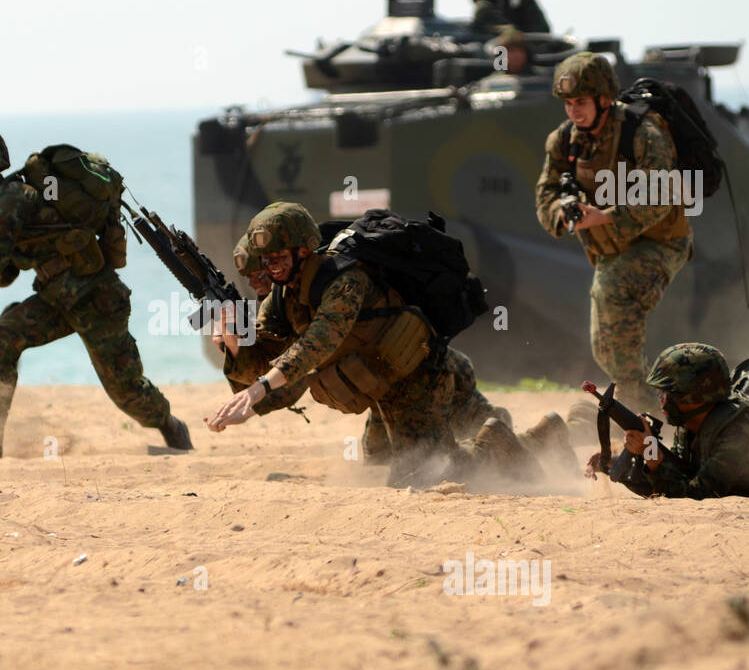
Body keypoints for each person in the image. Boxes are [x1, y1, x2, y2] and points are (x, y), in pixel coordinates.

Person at [204, 202, 569, 487]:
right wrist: (235, 345)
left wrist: (258, 390)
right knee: (377, 461)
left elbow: (319, 342)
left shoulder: (344, 280)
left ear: (304, 250)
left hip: (418, 379)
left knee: (428, 476)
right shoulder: (285, 296)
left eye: (280, 258)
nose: (272, 270)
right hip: (383, 386)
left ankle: (498, 441)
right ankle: (542, 436)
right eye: (266, 262)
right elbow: (268, 358)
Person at [0, 124, 191, 457]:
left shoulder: (8, 200)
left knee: (127, 393)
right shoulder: (5, 201)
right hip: (58, 299)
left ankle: (172, 427)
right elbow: (5, 274)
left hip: (97, 299)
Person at [535, 52, 693, 416]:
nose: (574, 112)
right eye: (568, 104)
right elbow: (545, 191)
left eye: (581, 103)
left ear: (605, 99)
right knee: (604, 342)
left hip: (661, 242)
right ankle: (654, 408)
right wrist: (562, 211)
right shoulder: (564, 140)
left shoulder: (643, 132)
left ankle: (646, 413)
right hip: (613, 249)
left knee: (612, 293)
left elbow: (662, 193)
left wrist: (603, 218)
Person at [595, 343, 749, 499]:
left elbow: (698, 495)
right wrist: (622, 462)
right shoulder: (690, 424)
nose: (661, 400)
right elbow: (671, 479)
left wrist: (653, 458)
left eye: (667, 393)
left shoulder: (738, 433)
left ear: (693, 396)